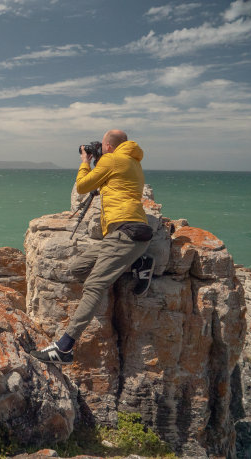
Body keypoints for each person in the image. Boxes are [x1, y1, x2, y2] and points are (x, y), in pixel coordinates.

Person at [30, 129, 155, 365]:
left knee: (94, 285)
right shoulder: (134, 162)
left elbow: (83, 186)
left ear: (108, 146)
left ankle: (64, 348)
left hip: (124, 234)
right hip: (127, 234)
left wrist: (85, 162)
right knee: (78, 268)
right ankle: (139, 261)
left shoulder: (111, 159)